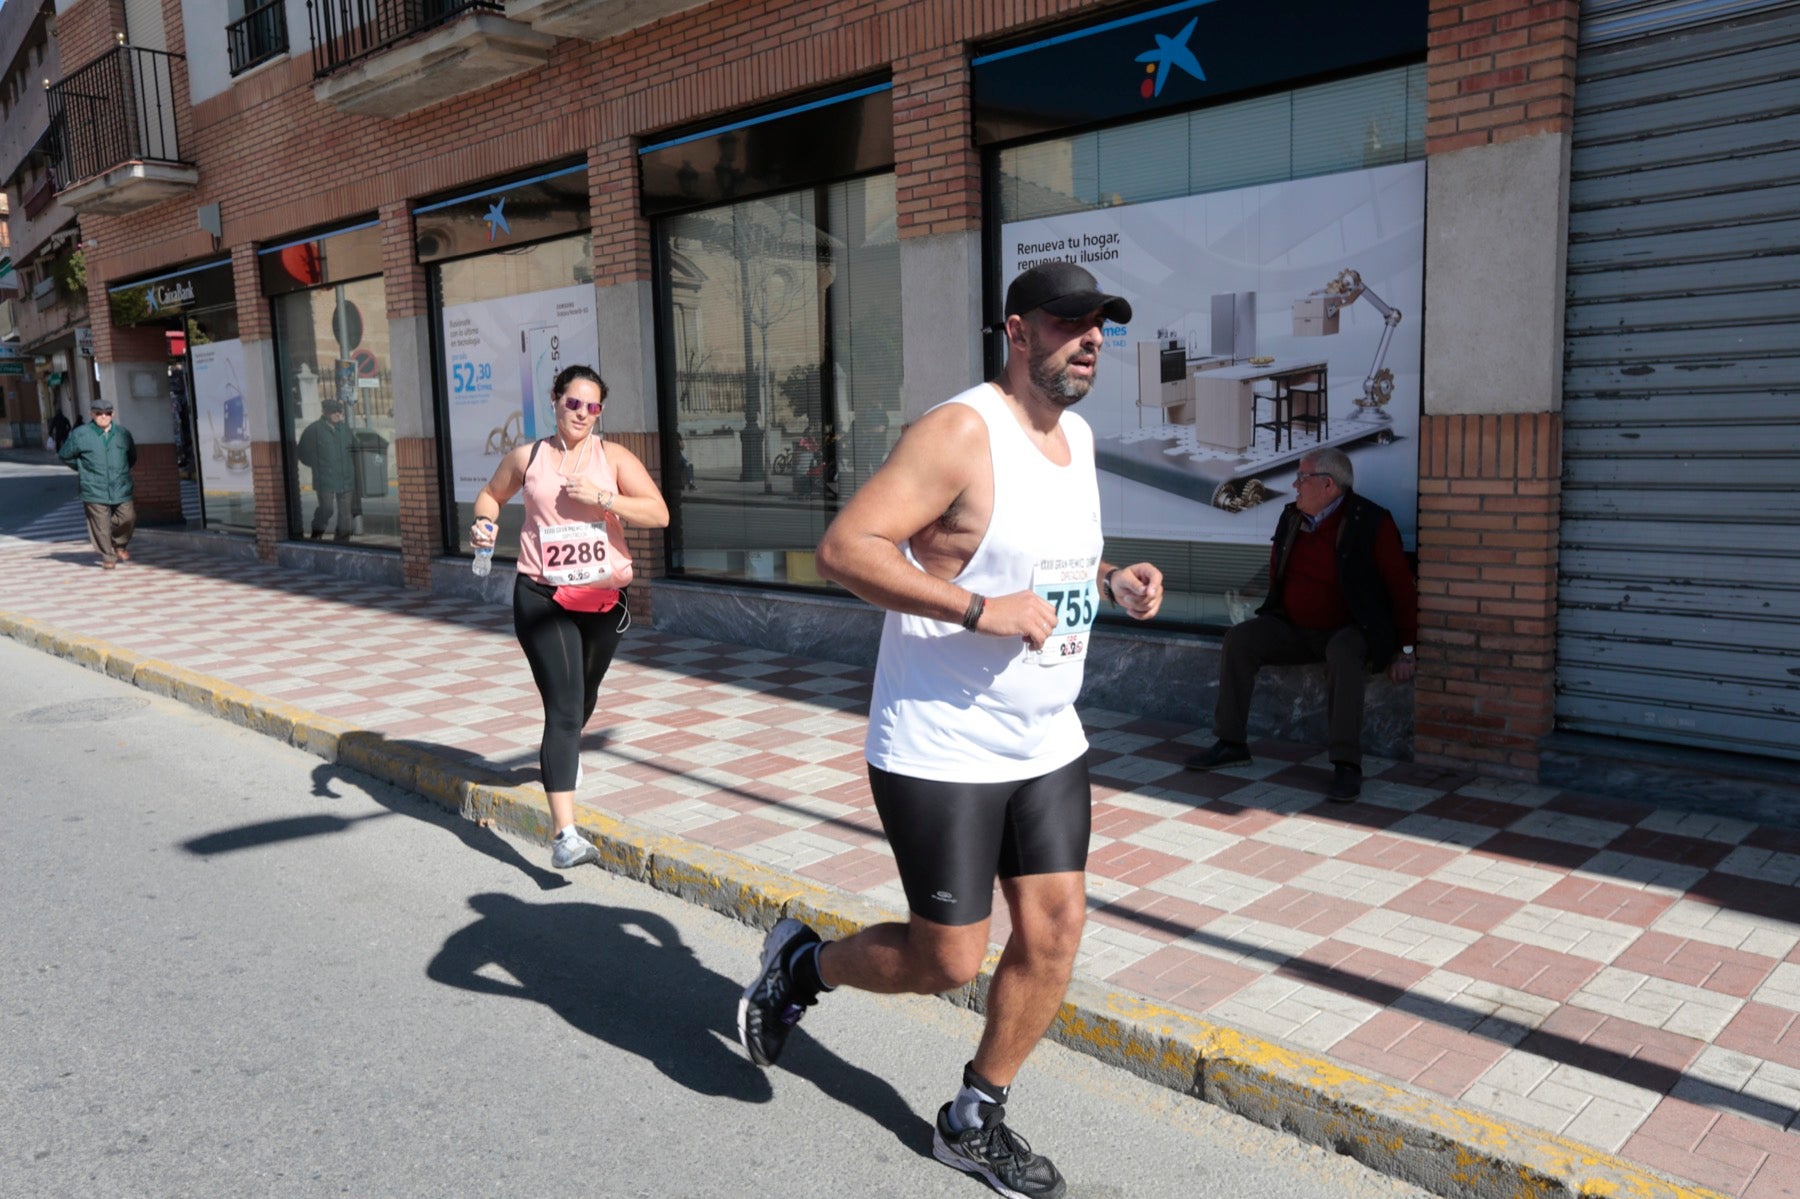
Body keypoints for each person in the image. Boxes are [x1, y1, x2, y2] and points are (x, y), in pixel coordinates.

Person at [737, 261, 1163, 1199]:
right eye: (1069, 322)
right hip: (942, 742)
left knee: (1056, 929)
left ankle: (973, 1119)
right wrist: (977, 610)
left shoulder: (1079, 438)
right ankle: (804, 964)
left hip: (1046, 737)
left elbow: (1046, 561)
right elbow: (845, 548)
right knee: (948, 958)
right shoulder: (961, 431)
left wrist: (1111, 580)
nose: (1090, 338)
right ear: (1017, 332)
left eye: (1101, 324)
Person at [468, 365, 669, 869]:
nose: (581, 413)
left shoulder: (613, 457)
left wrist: (604, 498)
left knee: (583, 697)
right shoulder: (528, 457)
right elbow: (491, 495)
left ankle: (563, 757)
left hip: (601, 599)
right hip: (542, 596)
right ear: (555, 399)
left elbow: (659, 513)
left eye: (592, 406)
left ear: (600, 413)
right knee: (562, 707)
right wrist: (484, 523)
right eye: (573, 402)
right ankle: (565, 835)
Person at [1184, 446, 1418, 801]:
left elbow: (1401, 589)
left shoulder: (1371, 521)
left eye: (1301, 478)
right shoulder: (1292, 517)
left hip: (1351, 630)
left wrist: (1406, 649)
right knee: (1240, 640)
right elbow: (1277, 569)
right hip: (1294, 627)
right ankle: (1231, 743)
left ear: (1328, 484)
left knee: (1344, 651)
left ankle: (1346, 764)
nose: (1294, 485)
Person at [58, 397, 137, 571]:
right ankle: (108, 556)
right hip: (93, 487)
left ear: (112, 414)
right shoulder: (81, 434)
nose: (103, 416)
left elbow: (131, 457)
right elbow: (64, 454)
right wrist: (82, 468)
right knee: (100, 525)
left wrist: (122, 471)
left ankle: (119, 544)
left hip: (121, 485)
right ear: (91, 414)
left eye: (107, 413)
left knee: (127, 517)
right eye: (99, 413)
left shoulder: (123, 433)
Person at [296, 397, 356, 541]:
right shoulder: (314, 430)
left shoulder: (345, 429)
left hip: (345, 477)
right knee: (327, 510)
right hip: (325, 479)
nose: (337, 414)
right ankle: (317, 534)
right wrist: (318, 466)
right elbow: (302, 452)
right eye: (333, 411)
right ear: (324, 412)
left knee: (345, 515)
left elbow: (354, 449)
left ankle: (342, 543)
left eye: (339, 411)